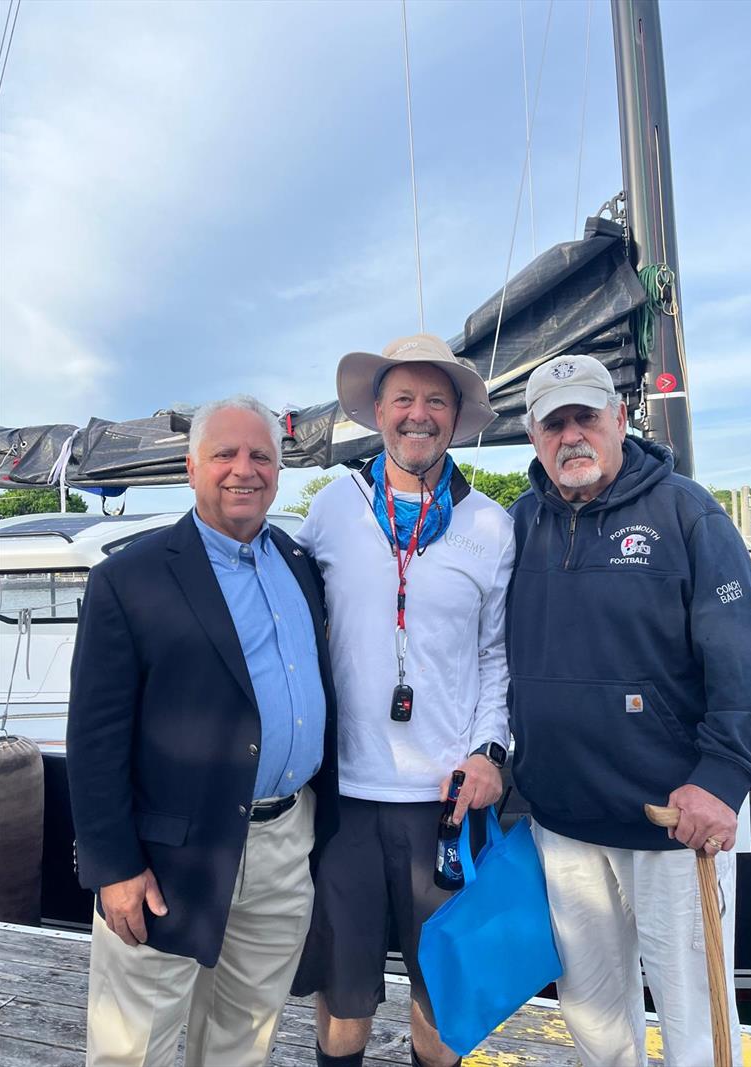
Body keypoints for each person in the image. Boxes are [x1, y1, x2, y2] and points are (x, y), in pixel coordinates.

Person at [507, 354, 751, 1067]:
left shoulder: (687, 512)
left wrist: (721, 781)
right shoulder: (518, 524)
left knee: (695, 1019)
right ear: (533, 435)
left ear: (620, 419)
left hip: (673, 819)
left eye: (585, 418)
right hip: (565, 823)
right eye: (554, 422)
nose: (571, 436)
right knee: (595, 1019)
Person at [66, 396, 339, 1067]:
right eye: (225, 454)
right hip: (166, 860)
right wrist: (115, 866)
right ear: (192, 467)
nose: (243, 469)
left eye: (261, 456)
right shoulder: (126, 580)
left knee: (243, 1041)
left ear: (279, 471)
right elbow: (93, 737)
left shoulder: (299, 565)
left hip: (282, 846)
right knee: (135, 1049)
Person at [291, 334, 515, 1067]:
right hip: (345, 799)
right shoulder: (331, 507)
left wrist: (490, 752)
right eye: (404, 400)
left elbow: (497, 657)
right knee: (343, 1000)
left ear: (454, 416)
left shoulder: (491, 524)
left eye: (436, 402)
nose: (419, 415)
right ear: (378, 412)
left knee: (438, 1001)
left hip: (445, 804)